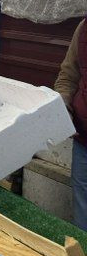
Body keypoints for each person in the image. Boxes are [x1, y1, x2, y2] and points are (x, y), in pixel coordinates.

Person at [54, 23, 87, 231]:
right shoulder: (84, 28)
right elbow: (68, 75)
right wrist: (63, 105)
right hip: (84, 141)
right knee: (82, 202)